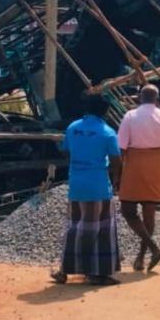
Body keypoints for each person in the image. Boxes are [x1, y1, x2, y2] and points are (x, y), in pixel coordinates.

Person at [52, 92, 122, 286]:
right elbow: (116, 161)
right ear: (105, 111)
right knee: (100, 229)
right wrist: (116, 181)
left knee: (75, 226)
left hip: (76, 184)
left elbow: (66, 151)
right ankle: (97, 272)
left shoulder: (73, 128)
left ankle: (65, 269)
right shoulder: (107, 132)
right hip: (98, 185)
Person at [117, 84, 160, 272]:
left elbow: (121, 148)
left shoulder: (130, 116)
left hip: (134, 164)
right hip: (157, 165)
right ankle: (141, 256)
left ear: (139, 97)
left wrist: (117, 175)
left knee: (128, 210)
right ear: (157, 99)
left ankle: (152, 250)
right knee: (149, 212)